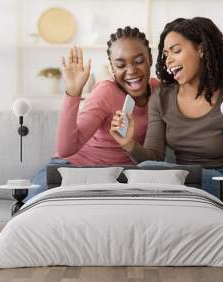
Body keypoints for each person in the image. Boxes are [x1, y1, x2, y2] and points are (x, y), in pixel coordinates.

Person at [110, 18, 223, 215]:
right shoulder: (162, 98)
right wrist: (129, 144)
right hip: (183, 185)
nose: (168, 59)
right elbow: (153, 157)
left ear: (201, 49)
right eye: (166, 54)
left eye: (176, 50)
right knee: (149, 168)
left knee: (154, 174)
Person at [25, 26, 159, 201]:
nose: (131, 70)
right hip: (72, 167)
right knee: (34, 205)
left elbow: (155, 157)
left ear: (150, 59)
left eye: (139, 60)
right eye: (120, 65)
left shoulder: (160, 91)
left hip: (119, 177)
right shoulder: (105, 92)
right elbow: (65, 150)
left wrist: (130, 144)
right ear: (112, 69)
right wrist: (73, 92)